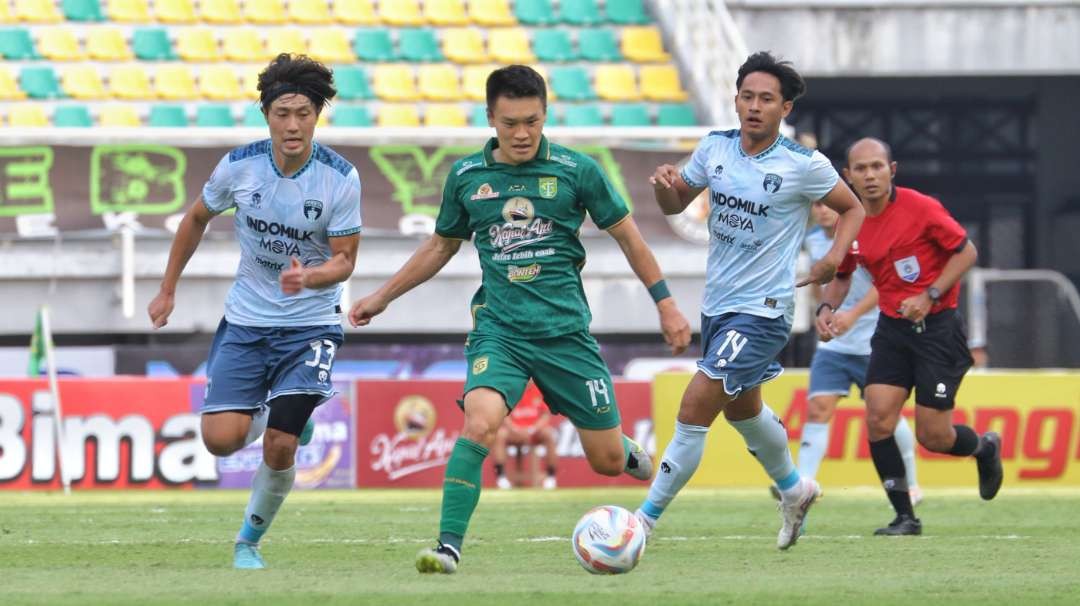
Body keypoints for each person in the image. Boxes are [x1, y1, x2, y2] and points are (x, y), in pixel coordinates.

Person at [349, 64, 691, 574]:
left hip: (565, 334)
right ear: (490, 117)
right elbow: (441, 243)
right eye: (510, 123)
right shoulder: (468, 177)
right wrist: (383, 296)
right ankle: (448, 548)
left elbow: (629, 237)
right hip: (499, 332)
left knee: (605, 462)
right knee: (480, 423)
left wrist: (665, 302)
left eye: (532, 120)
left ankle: (622, 449)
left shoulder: (578, 171)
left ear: (545, 114)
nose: (522, 133)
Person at [635, 51, 866, 550]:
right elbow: (677, 203)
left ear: (785, 109)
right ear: (736, 101)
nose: (754, 106)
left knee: (697, 402)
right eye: (747, 97)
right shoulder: (714, 148)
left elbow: (852, 208)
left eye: (766, 99)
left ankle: (642, 522)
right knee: (742, 410)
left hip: (765, 310)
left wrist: (832, 261)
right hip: (719, 306)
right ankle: (794, 488)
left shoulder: (804, 165)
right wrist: (665, 189)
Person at [147, 54, 362, 569]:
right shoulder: (238, 166)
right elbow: (196, 217)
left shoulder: (340, 178)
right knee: (220, 442)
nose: (293, 125)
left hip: (310, 322)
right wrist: (167, 288)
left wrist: (308, 277)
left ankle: (248, 541)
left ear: (317, 115)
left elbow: (345, 260)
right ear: (266, 114)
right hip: (247, 319)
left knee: (282, 447)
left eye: (304, 113)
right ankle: (274, 411)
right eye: (282, 112)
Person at [817, 137, 1003, 536]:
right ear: (847, 176)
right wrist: (826, 308)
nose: (869, 176)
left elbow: (966, 252)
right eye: (861, 169)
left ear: (892, 170)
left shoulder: (921, 208)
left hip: (937, 329)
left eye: (877, 167)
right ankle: (905, 517)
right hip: (891, 330)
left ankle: (984, 448)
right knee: (879, 418)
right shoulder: (851, 219)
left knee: (933, 436)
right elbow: (844, 274)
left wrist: (930, 294)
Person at [798, 200, 922, 504]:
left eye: (829, 205)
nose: (823, 210)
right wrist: (822, 313)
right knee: (818, 409)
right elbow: (822, 284)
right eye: (817, 205)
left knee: (887, 416)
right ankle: (801, 488)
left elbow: (884, 285)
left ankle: (912, 484)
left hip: (872, 341)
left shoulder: (863, 237)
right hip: (835, 345)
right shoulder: (812, 240)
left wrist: (852, 315)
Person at [493, 381, 559, 490]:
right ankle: (501, 476)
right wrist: (514, 429)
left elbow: (545, 415)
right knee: (500, 435)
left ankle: (551, 476)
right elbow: (503, 414)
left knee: (549, 434)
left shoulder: (539, 390)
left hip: (534, 432)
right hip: (514, 432)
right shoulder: (510, 390)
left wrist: (532, 429)